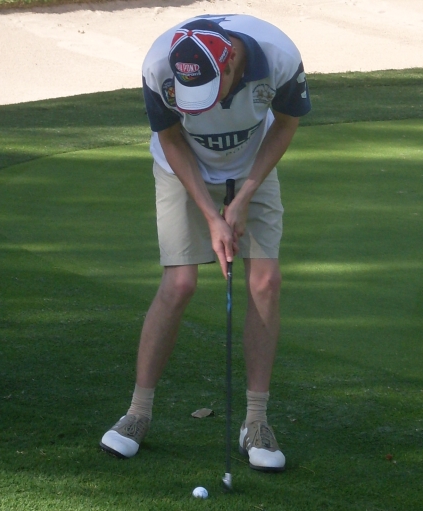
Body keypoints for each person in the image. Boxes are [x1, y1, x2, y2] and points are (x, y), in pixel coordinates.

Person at [99, 14, 310, 472]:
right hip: (182, 168)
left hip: (253, 167)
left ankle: (256, 423)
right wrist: (213, 216)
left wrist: (244, 196)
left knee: (265, 282)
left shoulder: (279, 57)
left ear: (230, 61)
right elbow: (170, 137)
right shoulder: (159, 65)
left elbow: (285, 124)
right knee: (180, 284)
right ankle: (137, 413)